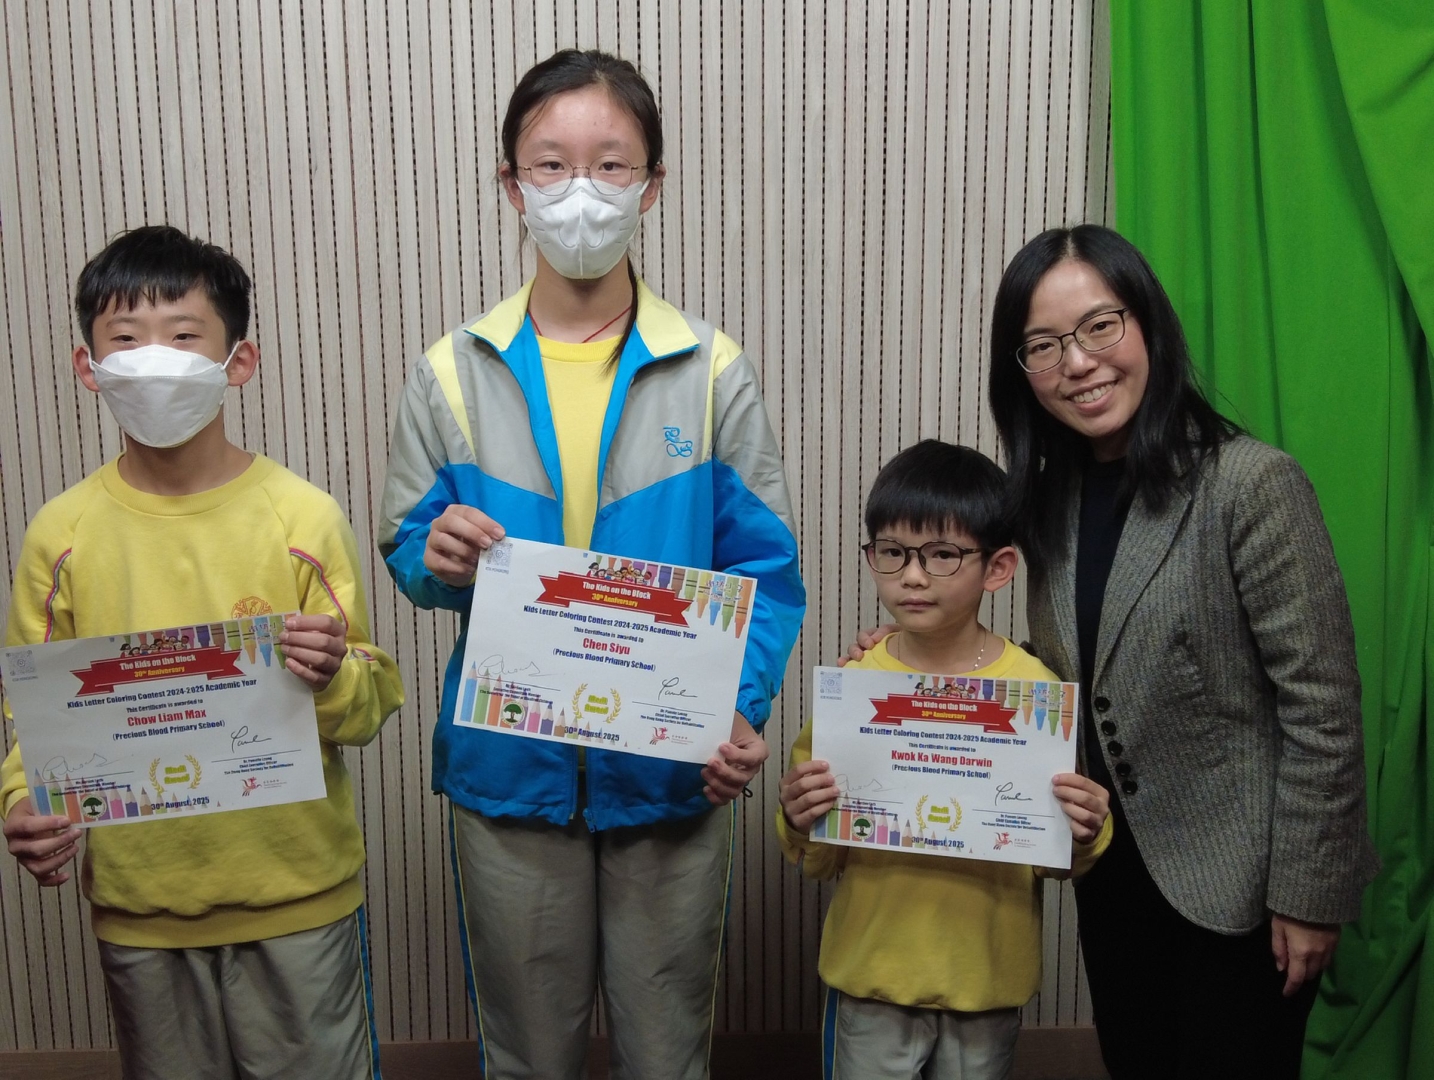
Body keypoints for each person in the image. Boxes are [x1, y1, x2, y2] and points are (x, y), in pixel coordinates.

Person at [850, 225, 1379, 1078]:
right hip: (1109, 873)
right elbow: (1079, 665)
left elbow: (1323, 706)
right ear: (1021, 371)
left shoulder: (1250, 484)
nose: (1078, 362)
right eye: (1044, 345)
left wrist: (1309, 897)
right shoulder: (1046, 501)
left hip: (1238, 886)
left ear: (1148, 326)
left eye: (1100, 326)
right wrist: (917, 662)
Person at [377, 49, 805, 1080]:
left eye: (611, 165)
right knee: (530, 1054)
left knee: (667, 1052)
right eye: (550, 163)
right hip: (509, 774)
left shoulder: (711, 367)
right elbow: (407, 546)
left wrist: (738, 707)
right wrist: (436, 555)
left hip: (669, 766)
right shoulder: (451, 370)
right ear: (511, 184)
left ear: (651, 186)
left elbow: (763, 569)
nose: (580, 191)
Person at [0, 226, 404, 1080]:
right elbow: (30, 710)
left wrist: (333, 675)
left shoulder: (302, 517)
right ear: (88, 367)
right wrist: (23, 802)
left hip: (299, 891)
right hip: (141, 902)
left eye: (184, 335)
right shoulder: (60, 534)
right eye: (125, 338)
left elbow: (369, 701)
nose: (154, 360)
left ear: (238, 360)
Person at [780, 440, 1111, 1080]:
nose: (912, 576)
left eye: (942, 555)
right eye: (892, 551)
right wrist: (797, 818)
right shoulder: (856, 685)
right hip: (872, 972)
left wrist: (1088, 831)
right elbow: (815, 852)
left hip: (986, 978)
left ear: (998, 567)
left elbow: (1059, 856)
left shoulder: (1036, 694)